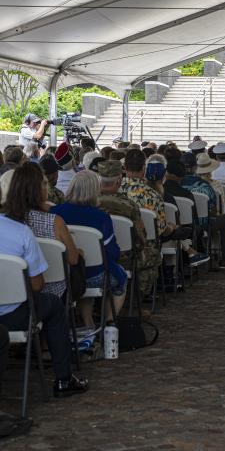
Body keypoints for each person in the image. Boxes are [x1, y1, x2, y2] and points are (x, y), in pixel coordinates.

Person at [0, 210, 88, 397]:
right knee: (55, 305)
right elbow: (37, 285)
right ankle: (63, 378)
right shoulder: (20, 231)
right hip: (13, 315)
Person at [51, 171, 128, 327]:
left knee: (85, 272)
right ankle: (109, 323)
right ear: (95, 190)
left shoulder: (55, 212)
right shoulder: (101, 217)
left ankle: (88, 321)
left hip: (65, 274)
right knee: (121, 277)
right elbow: (112, 253)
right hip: (95, 275)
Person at [4, 163, 81, 298]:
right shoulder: (54, 221)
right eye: (44, 184)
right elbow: (74, 259)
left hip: (14, 288)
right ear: (37, 190)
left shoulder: (7, 221)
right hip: (54, 289)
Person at [97, 159, 164, 296]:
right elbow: (141, 237)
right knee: (153, 254)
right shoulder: (129, 206)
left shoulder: (91, 202)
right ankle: (138, 294)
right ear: (118, 181)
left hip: (95, 256)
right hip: (125, 258)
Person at [180, 152, 225, 268]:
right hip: (203, 224)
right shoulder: (209, 186)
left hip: (182, 223)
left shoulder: (179, 185)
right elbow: (216, 209)